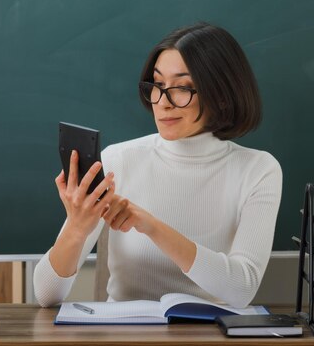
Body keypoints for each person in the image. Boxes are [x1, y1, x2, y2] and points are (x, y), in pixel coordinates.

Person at [34, 22, 282, 308]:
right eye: (157, 84)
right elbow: (45, 294)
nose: (163, 102)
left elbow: (242, 289)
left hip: (211, 337)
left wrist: (150, 225)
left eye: (183, 87)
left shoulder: (259, 170)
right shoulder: (118, 160)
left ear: (222, 96)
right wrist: (77, 227)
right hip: (125, 338)